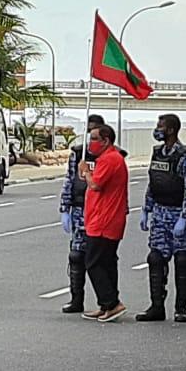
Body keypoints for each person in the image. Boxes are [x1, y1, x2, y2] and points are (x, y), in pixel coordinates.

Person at [137, 114, 186, 323]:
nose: (157, 129)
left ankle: (180, 309)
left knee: (182, 260)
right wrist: (146, 209)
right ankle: (156, 307)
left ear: (171, 130)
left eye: (160, 126)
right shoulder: (157, 153)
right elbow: (153, 181)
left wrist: (185, 217)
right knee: (155, 259)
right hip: (160, 214)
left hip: (179, 213)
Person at [79, 124, 129, 323]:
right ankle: (107, 304)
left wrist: (86, 172)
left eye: (94, 139)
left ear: (106, 140)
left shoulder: (110, 159)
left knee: (93, 262)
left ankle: (112, 302)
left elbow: (96, 185)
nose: (90, 143)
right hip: (101, 219)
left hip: (104, 221)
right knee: (107, 263)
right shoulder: (108, 159)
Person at [59, 114, 106, 313]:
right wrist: (65, 208)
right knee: (76, 255)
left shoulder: (110, 155)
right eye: (89, 131)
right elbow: (70, 180)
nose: (91, 137)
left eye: (95, 132)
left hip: (101, 211)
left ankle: (107, 301)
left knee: (100, 258)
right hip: (80, 210)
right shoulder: (79, 154)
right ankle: (76, 299)